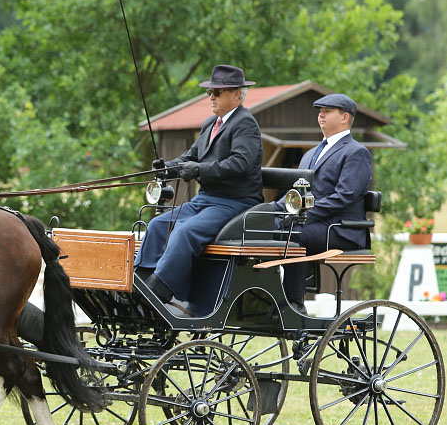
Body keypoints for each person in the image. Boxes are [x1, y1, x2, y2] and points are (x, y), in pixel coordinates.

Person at [135, 64, 264, 311]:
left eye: (217, 92)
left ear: (237, 94)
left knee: (186, 231)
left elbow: (241, 163)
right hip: (205, 201)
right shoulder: (210, 124)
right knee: (159, 224)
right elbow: (190, 157)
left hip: (235, 202)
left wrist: (200, 170)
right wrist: (167, 169)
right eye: (210, 92)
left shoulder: (245, 124)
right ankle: (139, 283)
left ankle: (158, 291)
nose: (211, 97)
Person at [272, 93, 373, 312]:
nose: (321, 115)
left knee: (292, 233)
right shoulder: (310, 154)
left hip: (341, 228)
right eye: (320, 111)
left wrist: (302, 213)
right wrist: (273, 209)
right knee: (262, 227)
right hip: (313, 223)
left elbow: (344, 196)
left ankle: (294, 304)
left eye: (327, 111)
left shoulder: (356, 152)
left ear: (345, 117)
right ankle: (264, 297)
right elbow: (295, 192)